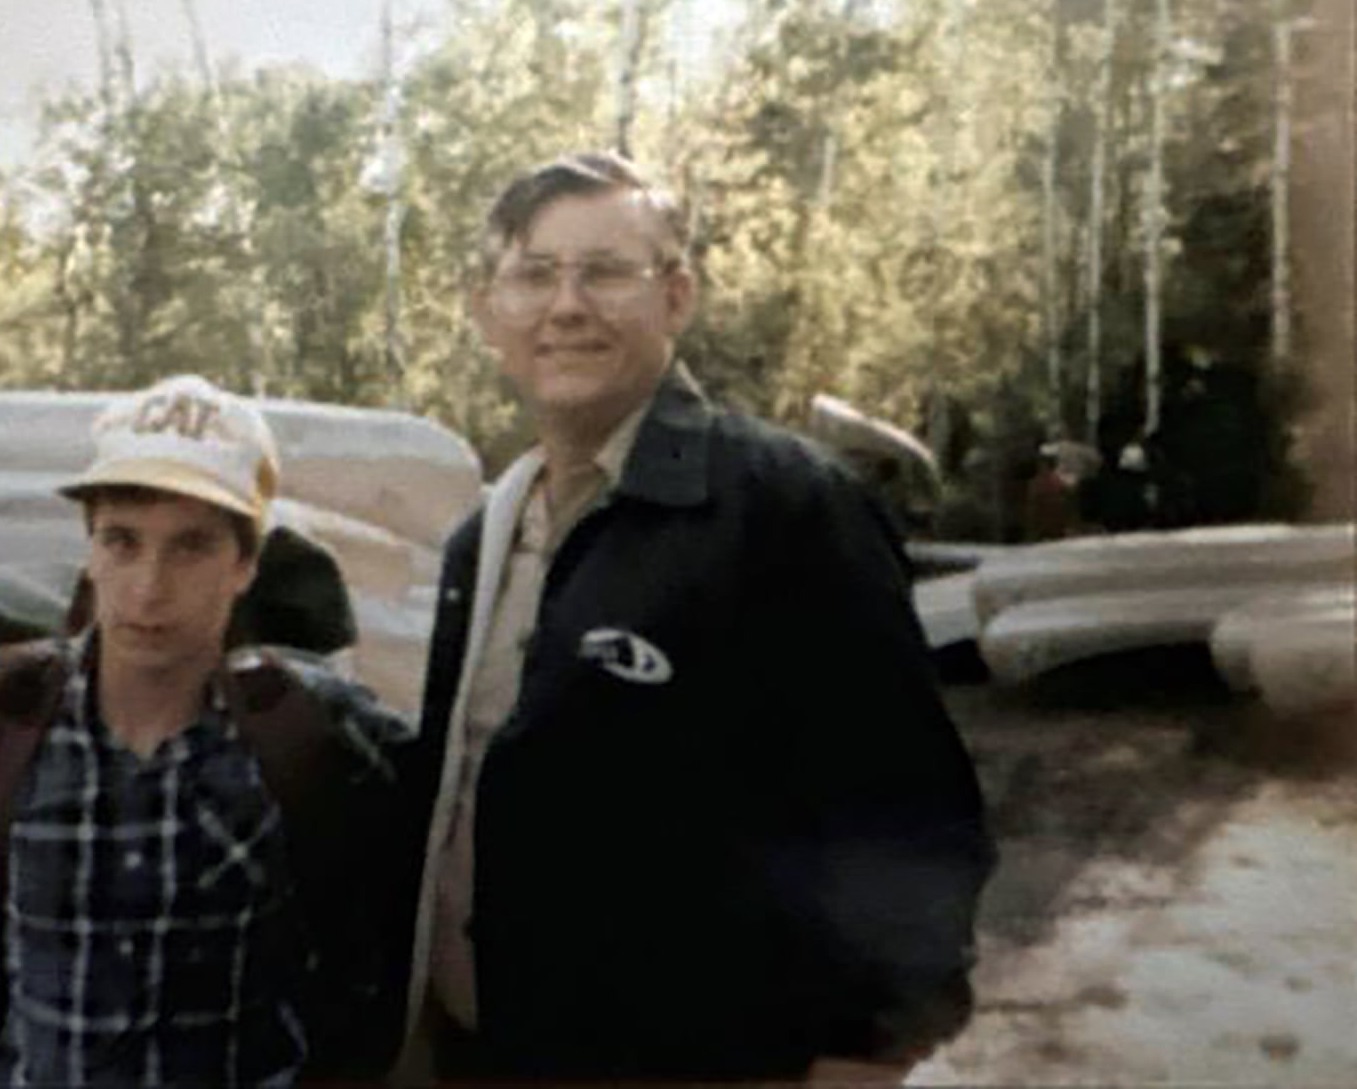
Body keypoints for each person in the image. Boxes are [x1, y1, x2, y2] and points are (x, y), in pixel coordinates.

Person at [397, 154, 996, 1083]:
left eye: (604, 271)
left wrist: (871, 1048)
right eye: (533, 273)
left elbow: (907, 807)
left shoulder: (784, 509)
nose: (566, 305)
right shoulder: (484, 539)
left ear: (675, 297)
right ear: (488, 311)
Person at [0, 375, 340, 1087]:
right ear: (90, 547)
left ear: (245, 564)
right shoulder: (1, 708)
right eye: (122, 541)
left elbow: (361, 966)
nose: (147, 587)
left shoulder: (306, 724)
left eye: (191, 546)